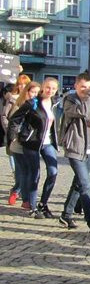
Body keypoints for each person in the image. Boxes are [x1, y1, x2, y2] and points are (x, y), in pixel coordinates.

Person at [58, 73, 90, 237]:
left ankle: (66, 215)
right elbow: (82, 111)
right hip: (75, 148)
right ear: (76, 86)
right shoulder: (70, 100)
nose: (87, 90)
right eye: (83, 86)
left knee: (79, 183)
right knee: (85, 184)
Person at [13, 77, 60, 220]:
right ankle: (32, 207)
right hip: (32, 143)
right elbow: (15, 119)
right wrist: (16, 136)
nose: (50, 90)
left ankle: (43, 204)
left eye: (53, 88)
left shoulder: (55, 103)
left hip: (47, 143)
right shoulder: (32, 103)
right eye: (48, 87)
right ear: (42, 87)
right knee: (35, 174)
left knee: (53, 172)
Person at [7, 81, 42, 217]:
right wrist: (13, 137)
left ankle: (22, 196)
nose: (34, 95)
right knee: (23, 171)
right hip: (18, 142)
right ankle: (22, 196)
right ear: (26, 91)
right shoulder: (20, 104)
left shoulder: (38, 105)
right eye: (32, 92)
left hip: (30, 142)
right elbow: (12, 121)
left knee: (27, 171)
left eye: (37, 92)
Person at [3, 75, 31, 206]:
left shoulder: (34, 101)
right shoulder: (12, 99)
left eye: (25, 84)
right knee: (19, 167)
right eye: (20, 84)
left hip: (30, 139)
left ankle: (21, 192)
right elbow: (5, 116)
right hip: (15, 138)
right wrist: (11, 132)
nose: (22, 86)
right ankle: (17, 191)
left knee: (27, 168)